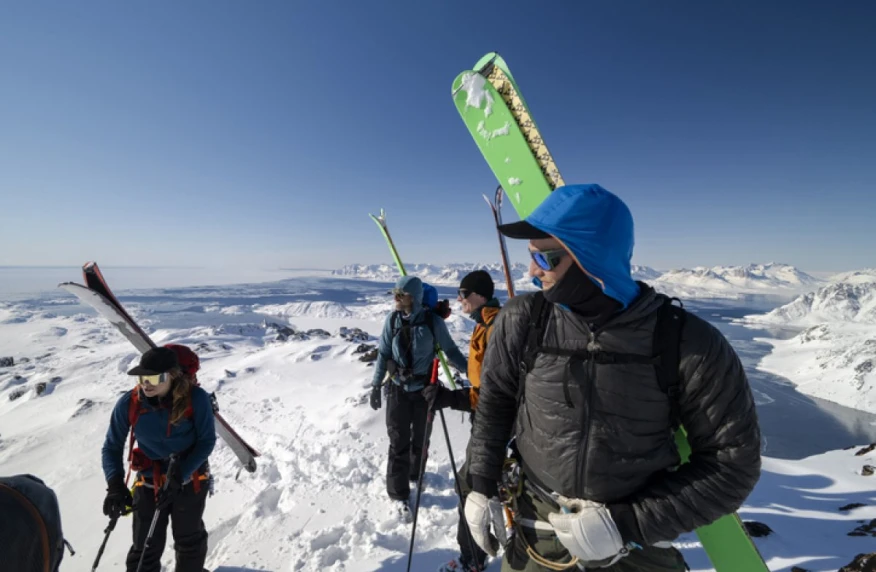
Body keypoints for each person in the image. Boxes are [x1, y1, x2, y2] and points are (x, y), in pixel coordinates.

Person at [462, 184, 762, 571]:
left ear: (593, 258)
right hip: (536, 534)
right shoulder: (523, 321)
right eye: (531, 256)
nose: (533, 271)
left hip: (633, 551)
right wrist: (480, 484)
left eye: (547, 258)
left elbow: (733, 465)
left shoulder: (686, 342)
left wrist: (627, 524)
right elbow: (496, 402)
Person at [101, 345, 216, 572]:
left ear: (172, 376)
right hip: (149, 480)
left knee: (188, 539)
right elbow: (112, 446)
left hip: (190, 477)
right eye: (143, 376)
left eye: (154, 377)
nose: (146, 383)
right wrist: (114, 485)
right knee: (144, 545)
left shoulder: (197, 399)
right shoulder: (129, 403)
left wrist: (180, 475)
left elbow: (206, 442)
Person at [425, 269, 502, 572]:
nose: (459, 300)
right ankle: (475, 556)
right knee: (470, 486)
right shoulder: (484, 324)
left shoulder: (495, 328)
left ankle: (472, 560)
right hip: (486, 422)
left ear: (481, 295)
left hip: (496, 426)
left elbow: (497, 392)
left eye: (464, 294)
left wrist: (453, 399)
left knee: (471, 488)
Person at [370, 275, 468, 512]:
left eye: (400, 294)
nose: (396, 298)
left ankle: (416, 474)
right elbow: (383, 353)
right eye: (395, 293)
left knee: (421, 438)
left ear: (413, 297)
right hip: (397, 389)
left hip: (425, 389)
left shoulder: (433, 322)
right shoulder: (391, 320)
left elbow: (451, 351)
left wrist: (474, 373)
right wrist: (375, 386)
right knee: (398, 441)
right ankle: (398, 494)